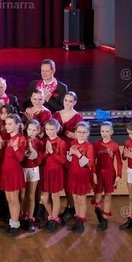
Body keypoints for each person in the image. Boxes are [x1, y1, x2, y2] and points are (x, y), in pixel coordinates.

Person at [53, 91, 84, 222]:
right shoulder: (56, 114)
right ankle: (67, 207)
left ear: (74, 102)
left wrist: (70, 134)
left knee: (70, 180)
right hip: (59, 150)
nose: (67, 103)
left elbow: (82, 135)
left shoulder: (78, 116)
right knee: (63, 179)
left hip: (71, 151)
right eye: (66, 100)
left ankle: (72, 208)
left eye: (70, 101)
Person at [65, 121, 96, 233]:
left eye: (84, 132)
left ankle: (81, 222)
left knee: (81, 200)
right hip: (73, 174)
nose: (81, 134)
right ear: (76, 132)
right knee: (75, 199)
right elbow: (69, 160)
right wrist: (70, 153)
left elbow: (90, 163)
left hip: (82, 175)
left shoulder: (89, 146)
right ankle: (77, 219)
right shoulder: (73, 142)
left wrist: (78, 154)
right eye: (79, 132)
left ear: (87, 133)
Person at [93, 121, 122, 231]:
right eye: (102, 131)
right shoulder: (96, 145)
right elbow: (93, 161)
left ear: (111, 132)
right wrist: (94, 173)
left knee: (107, 196)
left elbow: (119, 162)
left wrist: (118, 175)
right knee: (97, 197)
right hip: (99, 173)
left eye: (107, 131)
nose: (104, 133)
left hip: (110, 173)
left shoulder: (114, 145)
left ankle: (105, 220)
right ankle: (98, 210)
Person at [0, 114, 26, 237]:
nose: (7, 126)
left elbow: (20, 158)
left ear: (17, 125)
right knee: (9, 199)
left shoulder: (21, 138)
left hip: (15, 172)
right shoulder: (7, 138)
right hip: (6, 171)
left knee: (14, 199)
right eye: (6, 124)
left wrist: (15, 148)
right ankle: (12, 222)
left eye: (10, 124)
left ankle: (16, 224)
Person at [40, 119, 67, 232]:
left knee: (55, 196)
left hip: (56, 172)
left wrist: (52, 152)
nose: (49, 132)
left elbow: (63, 160)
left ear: (57, 129)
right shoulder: (45, 141)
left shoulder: (61, 142)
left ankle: (55, 219)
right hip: (46, 171)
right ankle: (51, 216)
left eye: (51, 129)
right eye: (47, 129)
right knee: (44, 197)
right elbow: (42, 158)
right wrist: (46, 153)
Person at [20, 120, 44, 233]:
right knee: (22, 195)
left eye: (34, 130)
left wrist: (30, 148)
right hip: (22, 169)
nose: (31, 132)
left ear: (38, 131)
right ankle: (23, 216)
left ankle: (30, 218)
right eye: (29, 129)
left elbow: (38, 160)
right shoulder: (22, 140)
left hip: (33, 170)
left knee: (31, 195)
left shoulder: (39, 143)